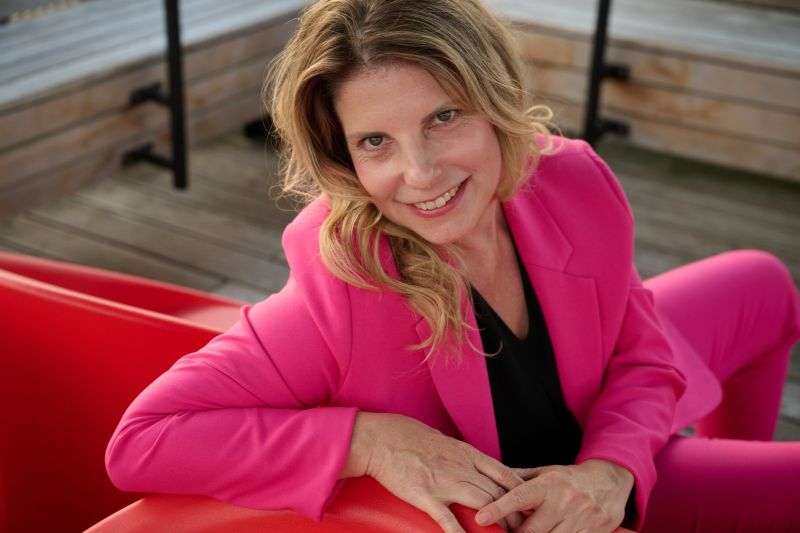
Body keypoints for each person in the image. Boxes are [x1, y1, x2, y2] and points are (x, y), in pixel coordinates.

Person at [104, 0, 800, 531]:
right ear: (345, 159)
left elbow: (641, 352)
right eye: (375, 141)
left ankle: (712, 472)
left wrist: (614, 468)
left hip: (611, 450)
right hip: (556, 504)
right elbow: (144, 439)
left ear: (495, 102)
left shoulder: (571, 180)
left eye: (443, 117)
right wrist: (368, 441)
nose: (420, 172)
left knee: (764, 284)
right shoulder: (341, 294)